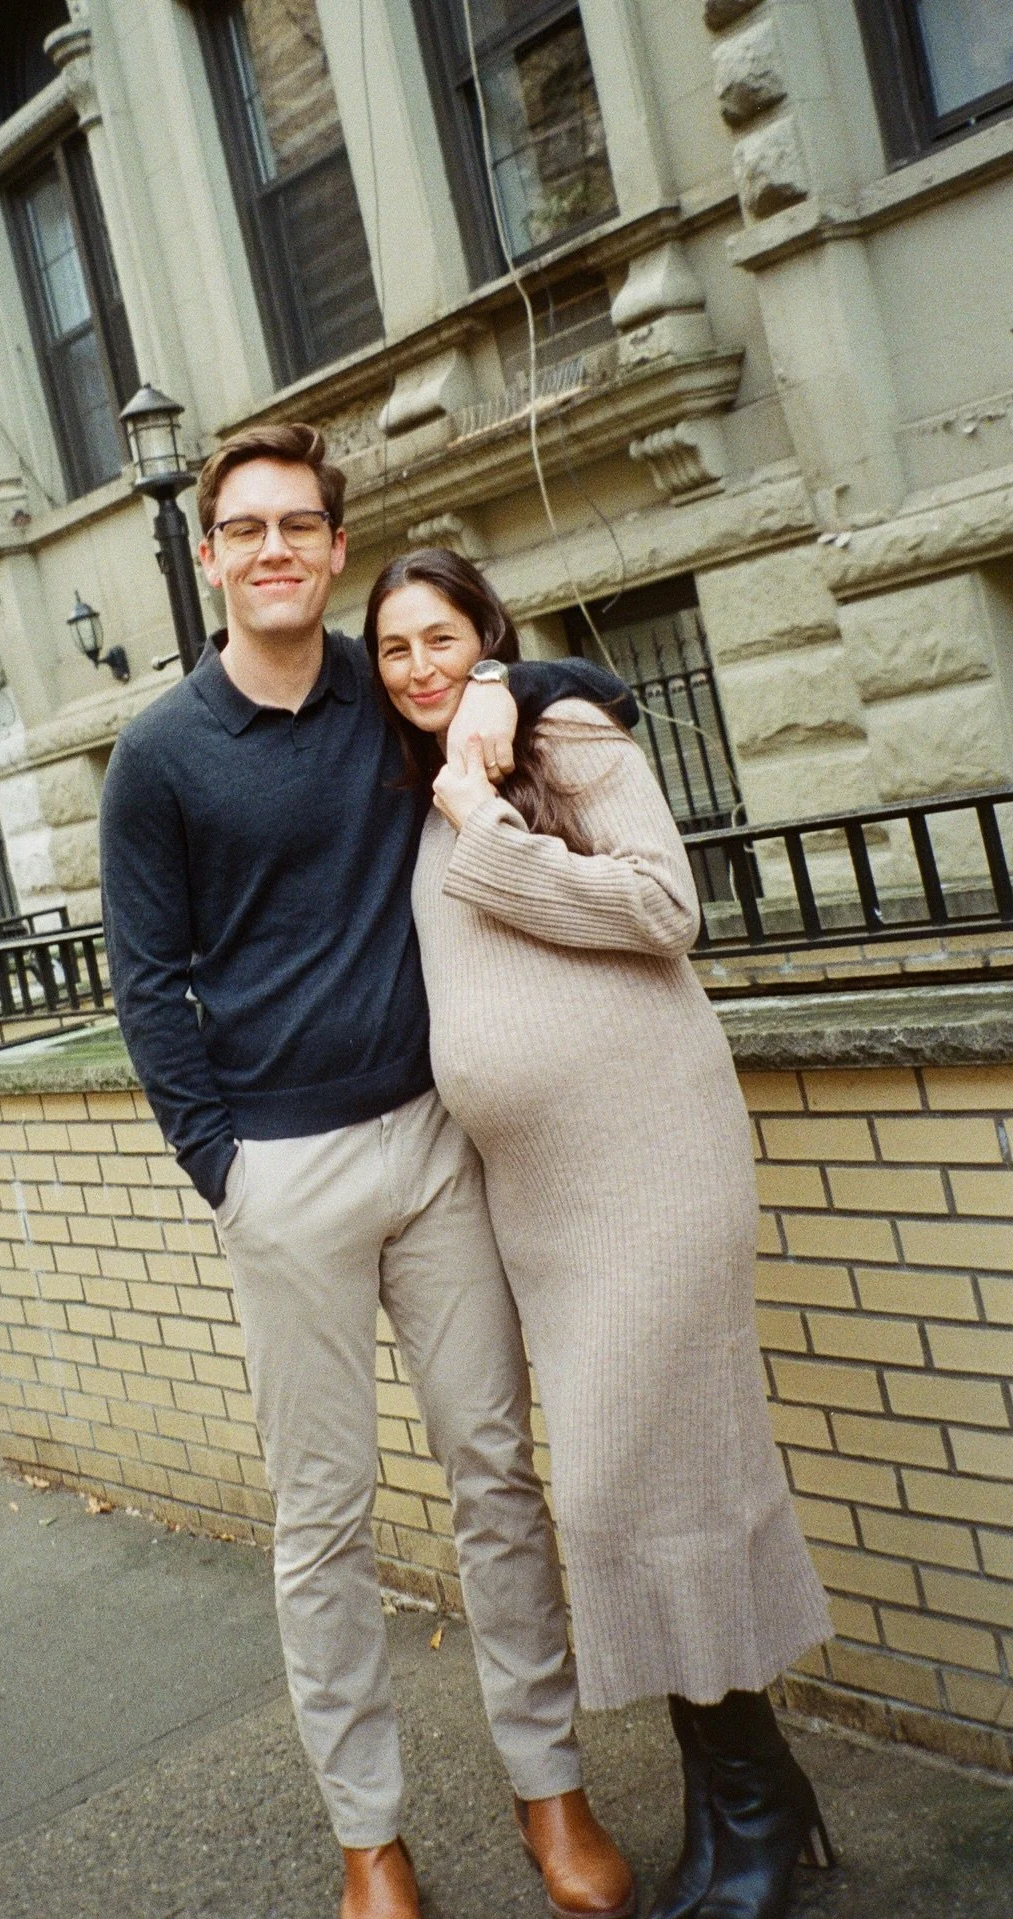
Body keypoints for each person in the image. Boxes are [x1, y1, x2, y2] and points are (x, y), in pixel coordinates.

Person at [101, 425, 639, 1919]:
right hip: (281, 1172)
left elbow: (489, 680)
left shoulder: (379, 692)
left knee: (494, 1477)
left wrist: (576, 682)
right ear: (208, 556)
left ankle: (552, 1791)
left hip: (430, 1142)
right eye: (243, 527)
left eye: (299, 525)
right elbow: (148, 985)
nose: (273, 547)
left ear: (335, 547)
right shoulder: (161, 755)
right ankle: (370, 1838)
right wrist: (226, 1170)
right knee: (323, 1519)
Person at [366, 546, 836, 1919]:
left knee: (649, 1479)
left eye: (443, 636)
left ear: (482, 632)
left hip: (651, 1159)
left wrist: (493, 828)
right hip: (541, 1205)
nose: (418, 666)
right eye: (393, 648)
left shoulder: (555, 743)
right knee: (633, 1490)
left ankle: (753, 1803)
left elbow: (664, 908)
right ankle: (743, 1792)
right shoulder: (416, 783)